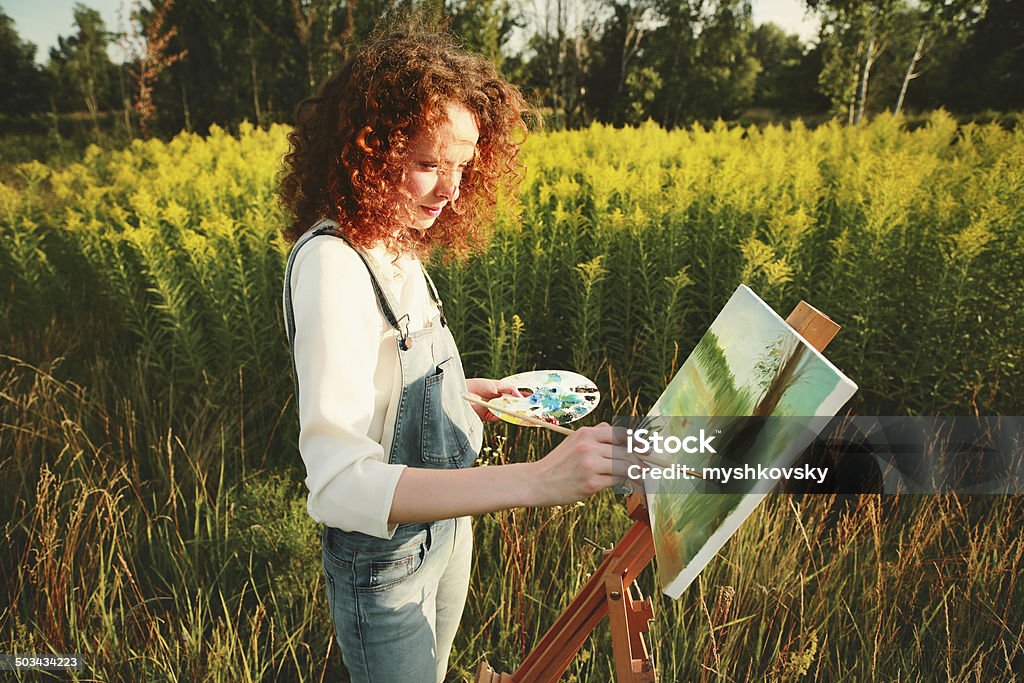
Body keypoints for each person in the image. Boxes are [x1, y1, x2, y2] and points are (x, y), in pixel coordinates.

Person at [277, 23, 631, 683]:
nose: (451, 191)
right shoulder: (333, 264)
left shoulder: (395, 241)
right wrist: (538, 480)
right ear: (366, 148)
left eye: (463, 165)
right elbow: (337, 485)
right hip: (384, 561)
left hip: (447, 530)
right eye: (426, 164)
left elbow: (387, 389)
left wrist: (465, 396)